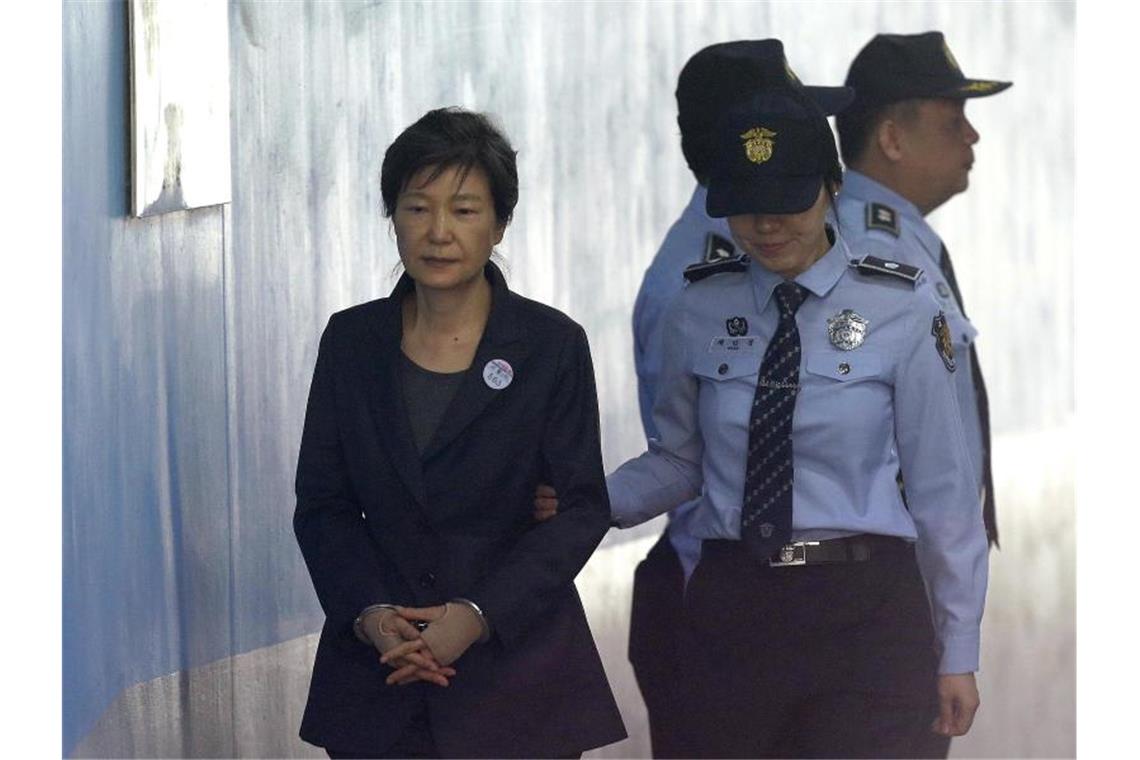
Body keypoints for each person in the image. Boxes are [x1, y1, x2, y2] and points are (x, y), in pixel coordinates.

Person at [603, 88, 989, 757]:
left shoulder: (900, 308)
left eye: (789, 202)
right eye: (747, 208)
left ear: (832, 187)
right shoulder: (695, 309)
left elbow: (943, 492)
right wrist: (584, 498)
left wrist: (958, 646)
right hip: (734, 605)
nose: (768, 225)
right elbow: (677, 461)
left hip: (866, 607)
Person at [545, 40, 854, 758]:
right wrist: (591, 499)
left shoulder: (821, 270)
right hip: (716, 606)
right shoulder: (690, 290)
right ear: (747, 147)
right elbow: (687, 460)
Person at [293, 107, 626, 759]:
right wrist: (370, 615)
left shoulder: (550, 345)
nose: (438, 232)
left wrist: (477, 616)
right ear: (393, 215)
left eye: (465, 211)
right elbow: (324, 504)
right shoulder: (351, 343)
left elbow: (581, 508)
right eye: (418, 208)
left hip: (519, 677)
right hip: (380, 678)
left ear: (500, 223)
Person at [835, 31, 1011, 552]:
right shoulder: (867, 251)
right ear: (891, 139)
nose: (973, 136)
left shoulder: (902, 240)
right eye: (953, 122)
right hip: (897, 560)